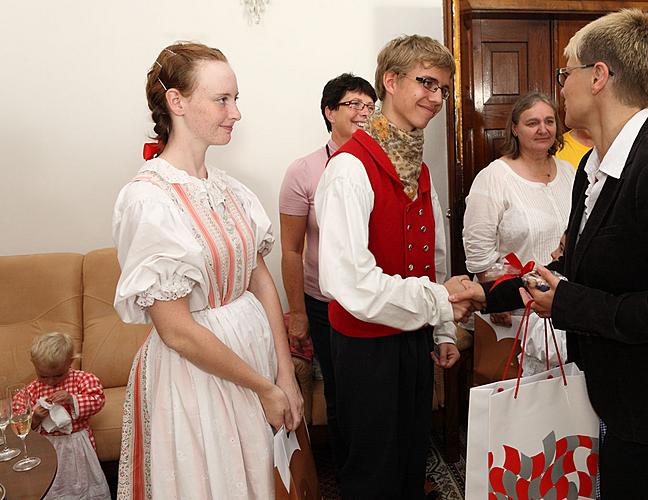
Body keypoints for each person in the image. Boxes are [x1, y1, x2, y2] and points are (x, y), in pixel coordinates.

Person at [451, 9, 648, 499]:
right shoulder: (592, 166)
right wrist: (486, 292)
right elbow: (575, 267)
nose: (560, 86)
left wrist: (569, 305)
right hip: (623, 401)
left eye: (567, 73)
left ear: (599, 76)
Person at [113, 42, 303, 499]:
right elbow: (176, 331)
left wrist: (286, 375)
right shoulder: (149, 200)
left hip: (255, 361)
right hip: (200, 376)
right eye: (222, 99)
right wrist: (264, 387)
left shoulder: (232, 190)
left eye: (236, 99)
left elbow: (261, 281)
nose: (235, 112)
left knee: (264, 476)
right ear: (176, 102)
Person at [315, 34, 469, 499]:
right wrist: (439, 303)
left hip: (413, 337)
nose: (436, 97)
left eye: (443, 88)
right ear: (391, 81)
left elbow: (433, 256)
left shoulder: (418, 167)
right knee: (372, 471)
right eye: (426, 83)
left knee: (408, 459)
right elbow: (347, 281)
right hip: (366, 349)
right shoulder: (349, 168)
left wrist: (441, 328)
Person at [278, 73, 377, 469]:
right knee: (341, 391)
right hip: (327, 303)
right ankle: (349, 472)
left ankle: (383, 470)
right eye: (353, 104)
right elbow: (290, 249)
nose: (364, 113)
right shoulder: (303, 171)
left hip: (378, 297)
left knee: (378, 388)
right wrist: (298, 313)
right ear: (329, 112)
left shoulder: (385, 162)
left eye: (370, 106)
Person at [462, 91, 574, 374]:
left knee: (565, 398)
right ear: (514, 128)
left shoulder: (571, 172)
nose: (543, 129)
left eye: (549, 121)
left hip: (563, 306)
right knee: (521, 401)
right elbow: (477, 248)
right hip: (514, 312)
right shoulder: (494, 177)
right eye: (532, 122)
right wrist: (495, 295)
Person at [18, 332, 110, 499]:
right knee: (53, 482)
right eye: (44, 376)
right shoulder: (31, 389)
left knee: (83, 478)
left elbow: (98, 400)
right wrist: (36, 417)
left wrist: (72, 398)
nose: (51, 382)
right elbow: (18, 416)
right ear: (35, 366)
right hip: (48, 444)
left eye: (58, 375)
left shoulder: (82, 379)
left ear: (70, 362)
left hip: (77, 442)